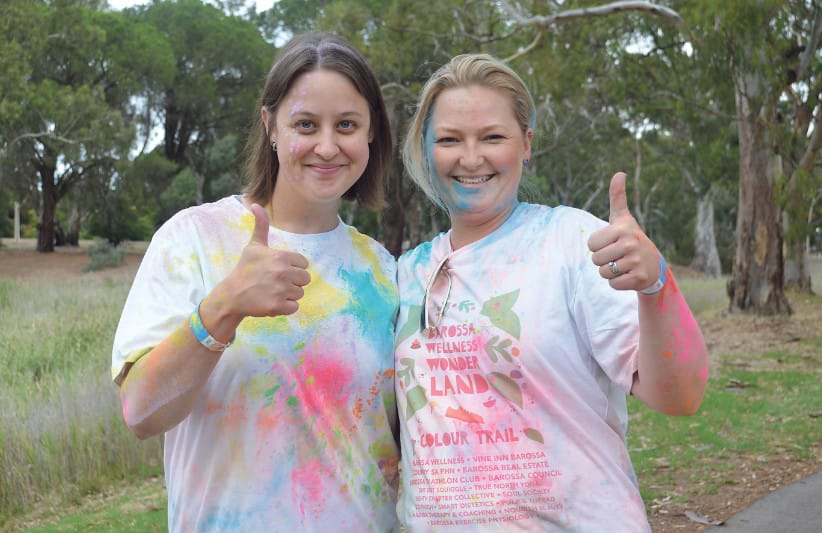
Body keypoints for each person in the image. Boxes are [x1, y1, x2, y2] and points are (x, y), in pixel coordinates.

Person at [394, 53, 709, 531]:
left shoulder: (572, 242)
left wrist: (656, 286)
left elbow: (680, 396)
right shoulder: (406, 273)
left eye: (493, 137)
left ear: (526, 144)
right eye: (450, 139)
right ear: (427, 148)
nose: (471, 157)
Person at [111, 33, 401, 532]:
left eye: (347, 125)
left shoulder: (382, 270)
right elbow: (140, 412)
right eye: (305, 124)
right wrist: (223, 307)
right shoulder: (193, 239)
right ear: (270, 125)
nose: (327, 146)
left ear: (370, 133)